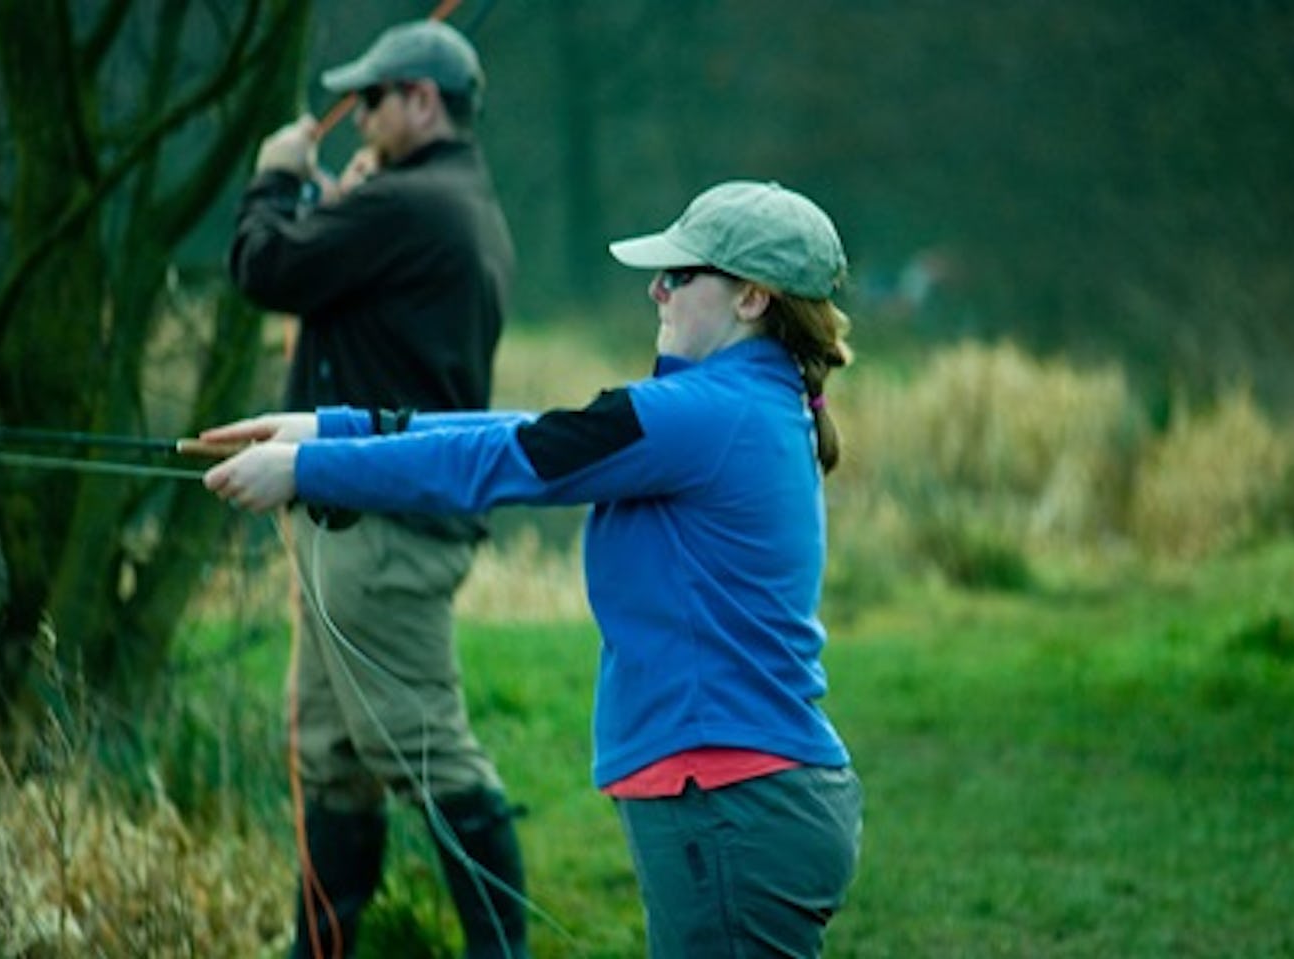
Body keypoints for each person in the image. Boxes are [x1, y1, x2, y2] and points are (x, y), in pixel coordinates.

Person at [206, 180, 864, 957]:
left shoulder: (705, 414)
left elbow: (511, 459)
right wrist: (338, 427)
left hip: (727, 798)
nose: (657, 288)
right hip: (741, 799)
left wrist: (314, 469)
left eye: (680, 274)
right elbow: (533, 431)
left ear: (752, 297)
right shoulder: (742, 403)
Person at [226, 19, 527, 959]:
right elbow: (340, 275)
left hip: (383, 532)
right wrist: (329, 202)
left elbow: (266, 266)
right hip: (360, 521)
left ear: (423, 101)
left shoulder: (408, 205)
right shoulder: (451, 201)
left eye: (371, 99)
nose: (355, 118)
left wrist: (278, 177)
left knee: (423, 751)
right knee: (333, 758)